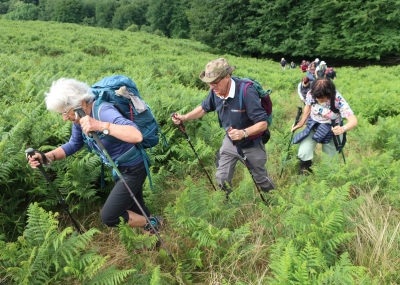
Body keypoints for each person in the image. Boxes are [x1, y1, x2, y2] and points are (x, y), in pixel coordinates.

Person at [27, 78, 162, 233]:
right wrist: (46, 156)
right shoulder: (80, 118)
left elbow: (136, 135)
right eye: (61, 113)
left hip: (134, 169)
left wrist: (99, 125)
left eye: (65, 112)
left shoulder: (103, 111)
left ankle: (154, 222)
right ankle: (154, 236)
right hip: (119, 168)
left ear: (82, 103)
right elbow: (74, 144)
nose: (64, 118)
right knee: (135, 206)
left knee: (110, 216)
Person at [171, 58, 275, 196]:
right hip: (229, 142)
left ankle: (275, 202)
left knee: (261, 179)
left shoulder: (246, 91)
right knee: (222, 177)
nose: (212, 87)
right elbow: (204, 108)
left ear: (227, 76)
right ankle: (227, 203)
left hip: (251, 144)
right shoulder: (215, 91)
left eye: (215, 82)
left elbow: (263, 124)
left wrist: (243, 133)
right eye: (209, 84)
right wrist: (184, 117)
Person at [291, 78, 358, 174]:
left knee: (330, 158)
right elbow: (308, 105)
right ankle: (305, 169)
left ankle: (328, 175)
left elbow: (353, 121)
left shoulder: (338, 99)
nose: (318, 100)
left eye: (322, 99)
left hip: (332, 128)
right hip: (314, 125)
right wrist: (301, 122)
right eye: (317, 98)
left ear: (329, 94)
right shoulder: (311, 93)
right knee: (303, 152)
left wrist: (342, 129)